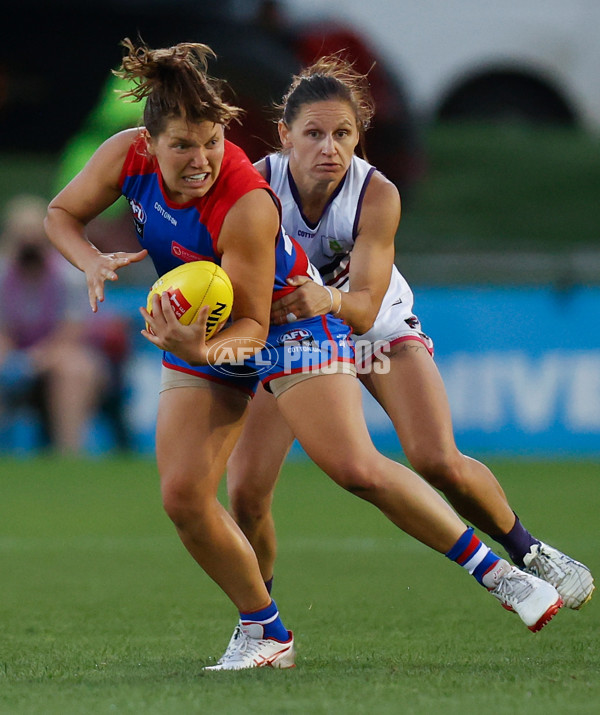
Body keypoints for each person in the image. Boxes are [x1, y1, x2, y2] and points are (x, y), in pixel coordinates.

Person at [44, 39, 563, 673]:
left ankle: (504, 575)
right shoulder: (125, 156)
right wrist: (91, 259)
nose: (202, 159)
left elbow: (256, 326)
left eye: (212, 142)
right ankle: (265, 630)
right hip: (207, 327)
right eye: (183, 145)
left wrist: (195, 346)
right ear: (150, 145)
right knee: (185, 496)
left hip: (290, 323)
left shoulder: (246, 202)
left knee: (354, 467)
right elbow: (61, 213)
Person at [226, 55, 594, 618]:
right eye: (314, 133)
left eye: (343, 134)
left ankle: (529, 551)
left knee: (438, 460)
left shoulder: (376, 195)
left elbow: (366, 303)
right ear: (284, 135)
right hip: (295, 336)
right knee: (247, 493)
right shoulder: (255, 184)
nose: (330, 147)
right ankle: (263, 625)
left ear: (359, 135)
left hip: (373, 327)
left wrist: (326, 297)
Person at [0, 194, 113, 454]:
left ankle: (68, 451)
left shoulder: (68, 275)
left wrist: (36, 359)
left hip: (63, 354)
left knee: (73, 369)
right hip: (19, 356)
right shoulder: (3, 275)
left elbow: (71, 332)